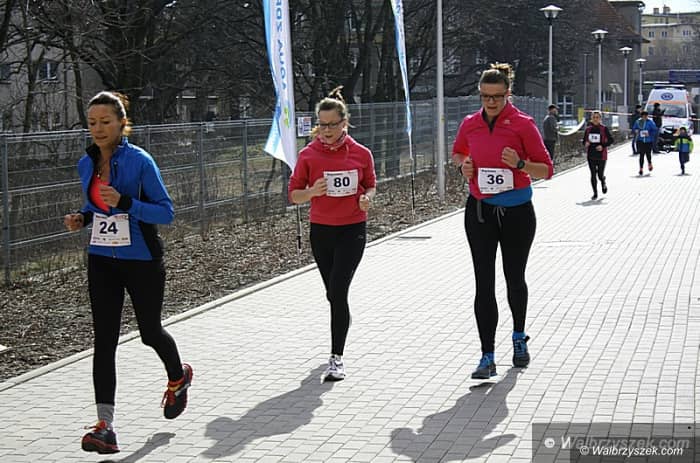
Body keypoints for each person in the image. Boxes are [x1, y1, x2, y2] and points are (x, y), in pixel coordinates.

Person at [63, 91, 193, 455]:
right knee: (104, 341)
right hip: (101, 259)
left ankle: (178, 376)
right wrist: (82, 217)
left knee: (150, 332)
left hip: (142, 260)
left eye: (105, 122)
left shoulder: (140, 161)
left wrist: (126, 203)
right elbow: (95, 207)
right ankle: (104, 426)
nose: (98, 129)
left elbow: (165, 212)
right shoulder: (86, 163)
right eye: (92, 123)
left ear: (122, 123)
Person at [452, 63, 554, 380]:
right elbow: (458, 153)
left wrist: (520, 164)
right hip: (480, 210)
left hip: (517, 212)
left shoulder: (523, 125)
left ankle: (519, 336)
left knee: (514, 278)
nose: (491, 102)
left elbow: (546, 169)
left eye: (497, 96)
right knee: (483, 283)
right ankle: (487, 356)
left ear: (508, 94)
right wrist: (464, 165)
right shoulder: (470, 124)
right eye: (485, 96)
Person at [288, 86, 377, 382]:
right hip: (322, 231)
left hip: (352, 230)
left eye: (332, 124)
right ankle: (343, 321)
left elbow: (370, 184)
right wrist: (312, 191)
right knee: (333, 295)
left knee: (338, 292)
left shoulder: (361, 154)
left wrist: (367, 198)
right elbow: (294, 195)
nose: (326, 130)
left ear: (344, 123)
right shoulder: (308, 155)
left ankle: (336, 358)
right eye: (322, 124)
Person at [582, 111, 614, 200]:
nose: (595, 119)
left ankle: (603, 181)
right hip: (591, 155)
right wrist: (586, 143)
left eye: (597, 117)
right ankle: (595, 193)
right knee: (593, 174)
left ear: (600, 119)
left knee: (600, 174)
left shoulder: (604, 128)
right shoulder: (588, 129)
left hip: (601, 155)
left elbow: (611, 140)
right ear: (591, 118)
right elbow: (584, 141)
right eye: (594, 117)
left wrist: (602, 146)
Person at [632, 110, 657, 176]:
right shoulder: (638, 121)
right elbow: (634, 128)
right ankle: (641, 169)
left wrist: (650, 134)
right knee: (641, 155)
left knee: (648, 154)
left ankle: (649, 163)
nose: (645, 117)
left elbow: (654, 130)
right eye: (643, 116)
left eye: (646, 116)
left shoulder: (650, 122)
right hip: (640, 141)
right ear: (641, 116)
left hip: (649, 141)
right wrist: (636, 131)